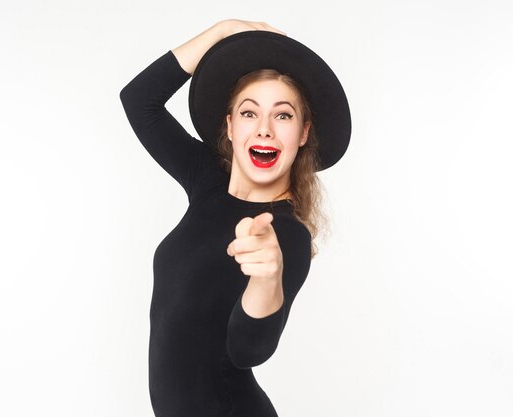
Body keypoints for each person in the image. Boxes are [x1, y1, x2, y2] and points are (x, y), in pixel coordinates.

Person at [120, 19, 351, 417]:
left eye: (282, 116)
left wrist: (267, 279)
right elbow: (138, 100)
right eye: (249, 113)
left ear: (302, 133)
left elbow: (249, 351)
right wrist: (223, 33)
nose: (264, 130)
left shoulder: (286, 236)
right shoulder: (207, 182)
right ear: (228, 126)